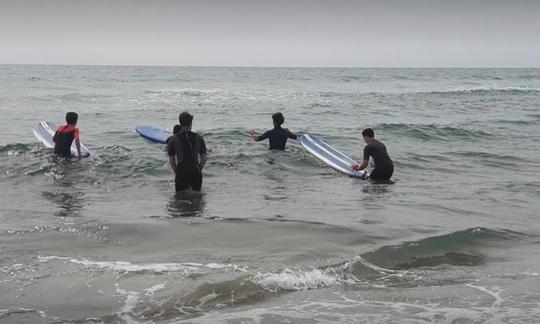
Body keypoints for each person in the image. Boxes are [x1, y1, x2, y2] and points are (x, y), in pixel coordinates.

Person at [167, 112, 208, 191]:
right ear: (191, 123)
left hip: (181, 170)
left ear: (180, 123)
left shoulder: (173, 139)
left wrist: (177, 172)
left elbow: (172, 161)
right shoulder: (199, 138)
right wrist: (199, 169)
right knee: (197, 197)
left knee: (180, 199)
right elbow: (204, 158)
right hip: (195, 169)